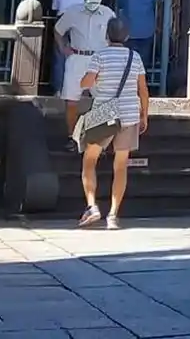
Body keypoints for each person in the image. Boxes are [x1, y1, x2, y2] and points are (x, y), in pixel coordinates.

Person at [75, 16, 149, 229]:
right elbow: (143, 90)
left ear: (106, 35)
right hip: (129, 115)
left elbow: (87, 82)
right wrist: (144, 115)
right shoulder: (134, 58)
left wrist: (87, 79)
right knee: (121, 166)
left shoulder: (100, 56)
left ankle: (92, 206)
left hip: (104, 115)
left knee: (89, 160)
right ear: (126, 36)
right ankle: (113, 215)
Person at [56, 0, 114, 147]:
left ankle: (98, 138)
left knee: (103, 100)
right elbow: (58, 30)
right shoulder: (72, 12)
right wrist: (63, 47)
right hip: (77, 58)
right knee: (71, 100)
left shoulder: (108, 14)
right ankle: (72, 137)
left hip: (99, 60)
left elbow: (114, 36)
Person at [115, 0, 160, 66]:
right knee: (142, 66)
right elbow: (155, 3)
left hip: (129, 31)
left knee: (127, 65)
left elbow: (120, 3)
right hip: (147, 31)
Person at [50, 0, 86, 94]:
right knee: (79, 56)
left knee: (60, 56)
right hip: (80, 21)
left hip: (62, 21)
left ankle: (59, 89)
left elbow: (55, 7)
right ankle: (77, 88)